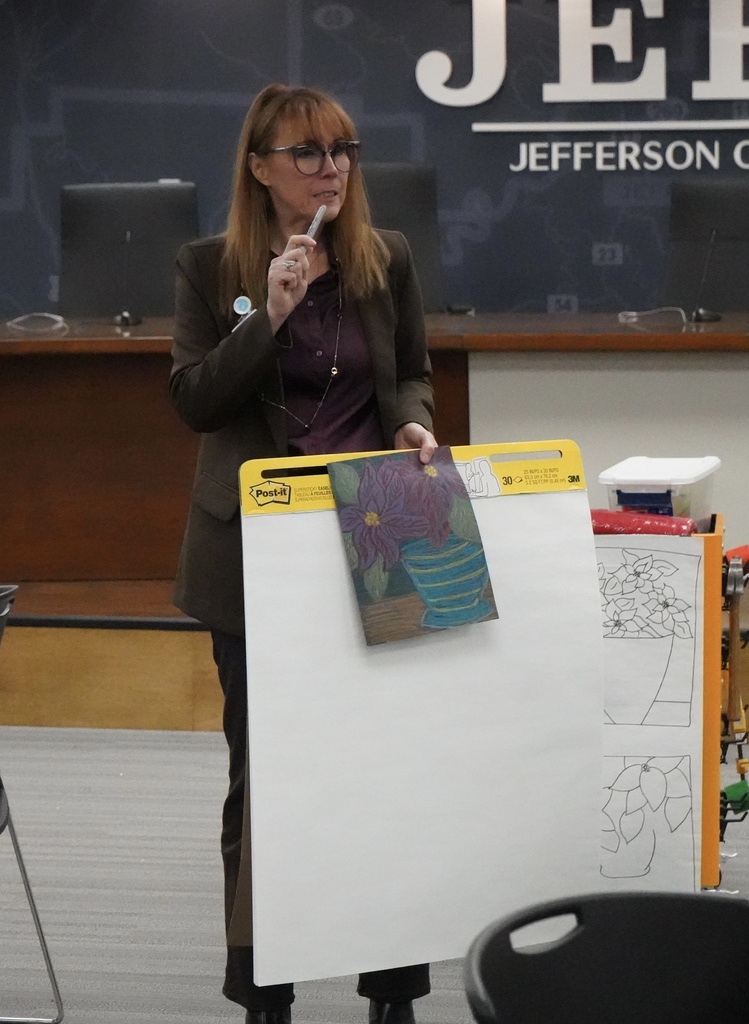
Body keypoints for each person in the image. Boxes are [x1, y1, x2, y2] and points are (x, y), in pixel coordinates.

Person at [169, 83, 437, 1024]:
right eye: (308, 152)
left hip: (375, 535)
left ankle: (393, 989)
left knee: (383, 772)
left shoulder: (384, 259)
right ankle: (266, 988)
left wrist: (411, 427)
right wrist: (268, 316)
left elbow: (409, 375)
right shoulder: (209, 268)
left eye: (343, 150)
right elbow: (196, 400)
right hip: (256, 553)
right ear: (259, 167)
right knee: (266, 775)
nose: (331, 168)